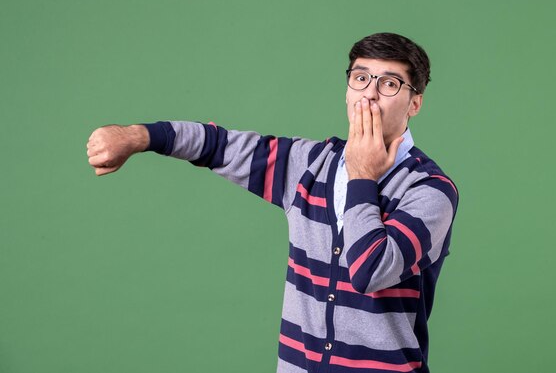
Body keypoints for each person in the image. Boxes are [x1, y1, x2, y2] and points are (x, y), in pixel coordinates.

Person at [86, 32, 459, 373]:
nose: (370, 94)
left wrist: (362, 173)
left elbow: (369, 271)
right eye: (360, 78)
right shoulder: (309, 164)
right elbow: (219, 146)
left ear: (415, 103)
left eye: (389, 84)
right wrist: (136, 136)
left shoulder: (430, 190)